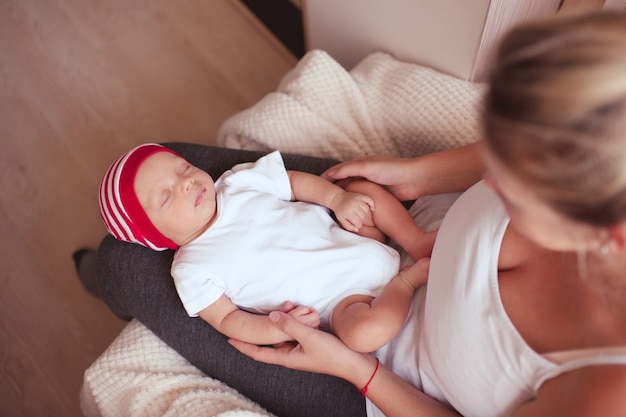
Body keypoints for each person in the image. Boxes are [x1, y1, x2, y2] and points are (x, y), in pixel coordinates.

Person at [76, 10, 626, 417]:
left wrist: (348, 366)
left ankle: (113, 286)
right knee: (163, 164)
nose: (491, 169)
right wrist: (422, 176)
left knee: (123, 263)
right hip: (397, 232)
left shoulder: (599, 394)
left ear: (609, 237)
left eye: (518, 175)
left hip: (379, 360)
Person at [98, 143, 434, 352]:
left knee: (364, 193)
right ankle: (405, 283)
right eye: (167, 196)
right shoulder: (190, 270)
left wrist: (338, 198)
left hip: (357, 237)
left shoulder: (236, 182)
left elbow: (295, 183)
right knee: (362, 336)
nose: (186, 182)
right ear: (155, 236)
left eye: (183, 167)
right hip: (343, 302)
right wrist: (274, 329)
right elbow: (227, 319)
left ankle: (414, 240)